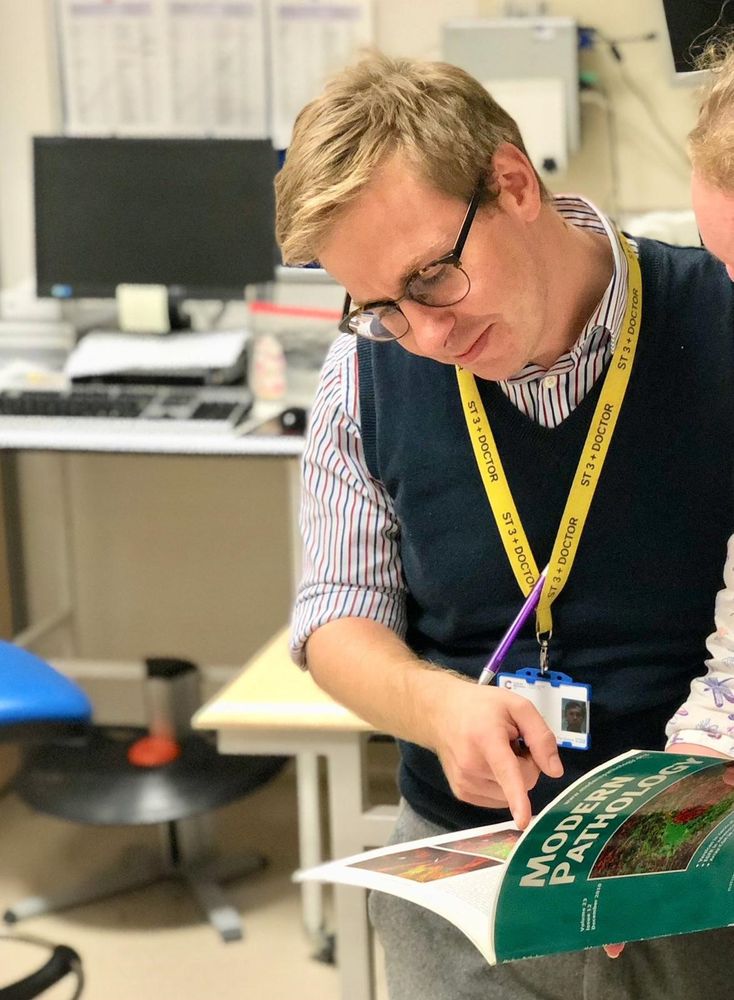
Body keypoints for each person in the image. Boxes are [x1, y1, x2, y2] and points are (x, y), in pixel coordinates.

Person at [276, 52, 734, 1000]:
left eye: (433, 278)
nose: (427, 336)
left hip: (693, 870)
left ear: (514, 184)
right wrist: (437, 707)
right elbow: (334, 617)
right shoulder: (362, 376)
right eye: (380, 308)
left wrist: (663, 828)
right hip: (465, 870)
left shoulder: (720, 310)